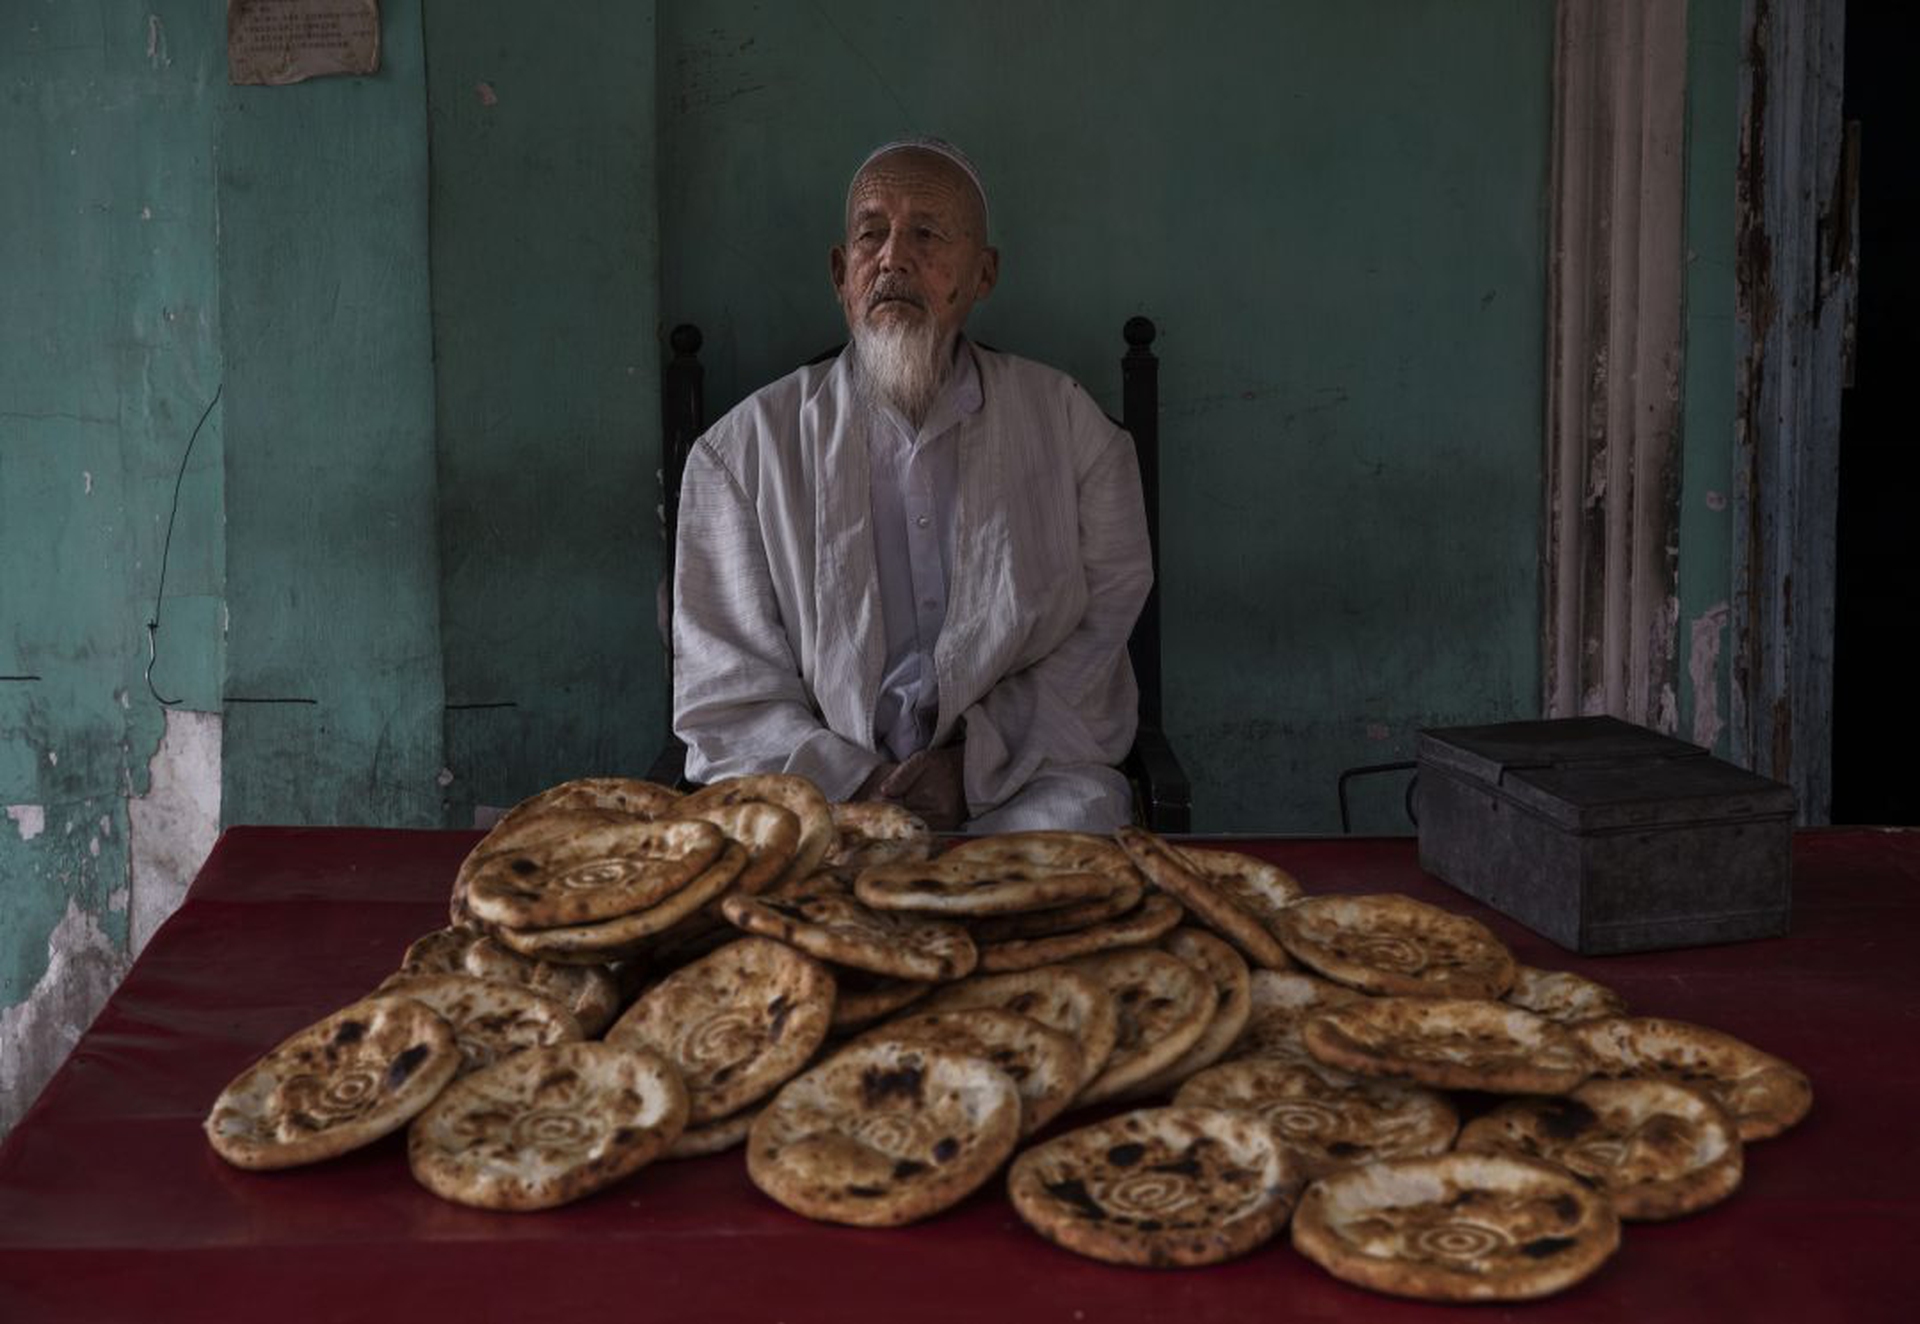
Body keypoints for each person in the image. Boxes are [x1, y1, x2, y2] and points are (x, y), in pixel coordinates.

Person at [671, 137, 1152, 833]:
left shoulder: (1074, 432)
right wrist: (859, 786)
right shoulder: (740, 454)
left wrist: (973, 769)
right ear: (841, 272)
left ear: (984, 274)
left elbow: (1096, 648)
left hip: (1025, 789)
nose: (893, 258)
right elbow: (728, 696)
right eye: (871, 234)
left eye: (927, 234)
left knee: (1078, 841)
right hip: (818, 802)